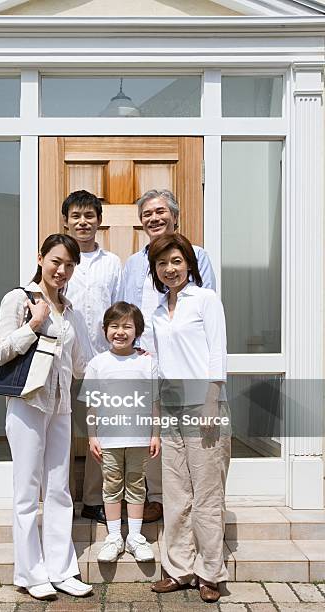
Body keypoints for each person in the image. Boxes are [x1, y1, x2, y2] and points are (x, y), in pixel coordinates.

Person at [0, 234, 93, 600]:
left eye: (69, 265)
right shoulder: (18, 299)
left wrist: (128, 352)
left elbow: (81, 365)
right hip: (27, 405)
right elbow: (0, 353)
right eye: (56, 261)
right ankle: (30, 573)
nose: (62, 270)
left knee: (59, 490)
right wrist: (33, 325)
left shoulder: (71, 310)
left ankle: (61, 569)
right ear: (40, 258)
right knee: (26, 492)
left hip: (61, 408)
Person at [123, 189, 216, 523]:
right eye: (147, 214)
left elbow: (207, 314)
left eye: (160, 211)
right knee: (152, 435)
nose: (154, 218)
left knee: (190, 443)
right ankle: (156, 499)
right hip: (145, 362)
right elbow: (125, 310)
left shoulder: (198, 256)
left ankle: (192, 505)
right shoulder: (133, 264)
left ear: (175, 216)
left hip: (184, 366)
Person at [147, 233, 231, 603]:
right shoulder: (155, 311)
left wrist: (213, 400)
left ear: (189, 264)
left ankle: (210, 572)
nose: (170, 269)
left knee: (208, 493)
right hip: (171, 408)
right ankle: (179, 569)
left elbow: (217, 351)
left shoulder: (206, 300)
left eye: (176, 261)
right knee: (177, 493)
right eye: (162, 263)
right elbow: (158, 364)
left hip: (204, 406)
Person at [81, 302, 160, 562]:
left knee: (137, 485)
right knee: (112, 485)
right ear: (105, 330)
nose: (120, 331)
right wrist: (92, 436)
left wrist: (155, 433)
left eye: (127, 326)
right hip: (108, 439)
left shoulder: (146, 363)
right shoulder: (97, 364)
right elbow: (92, 405)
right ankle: (114, 536)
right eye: (114, 326)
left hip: (139, 438)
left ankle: (135, 537)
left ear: (137, 330)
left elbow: (154, 402)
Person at [63, 190, 123, 525]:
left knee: (100, 433)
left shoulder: (113, 263)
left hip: (101, 361)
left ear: (99, 221)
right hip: (63, 362)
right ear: (67, 221)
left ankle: (92, 500)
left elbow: (119, 309)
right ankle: (62, 498)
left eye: (89, 216)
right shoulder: (60, 258)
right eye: (76, 216)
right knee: (63, 433)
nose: (83, 222)